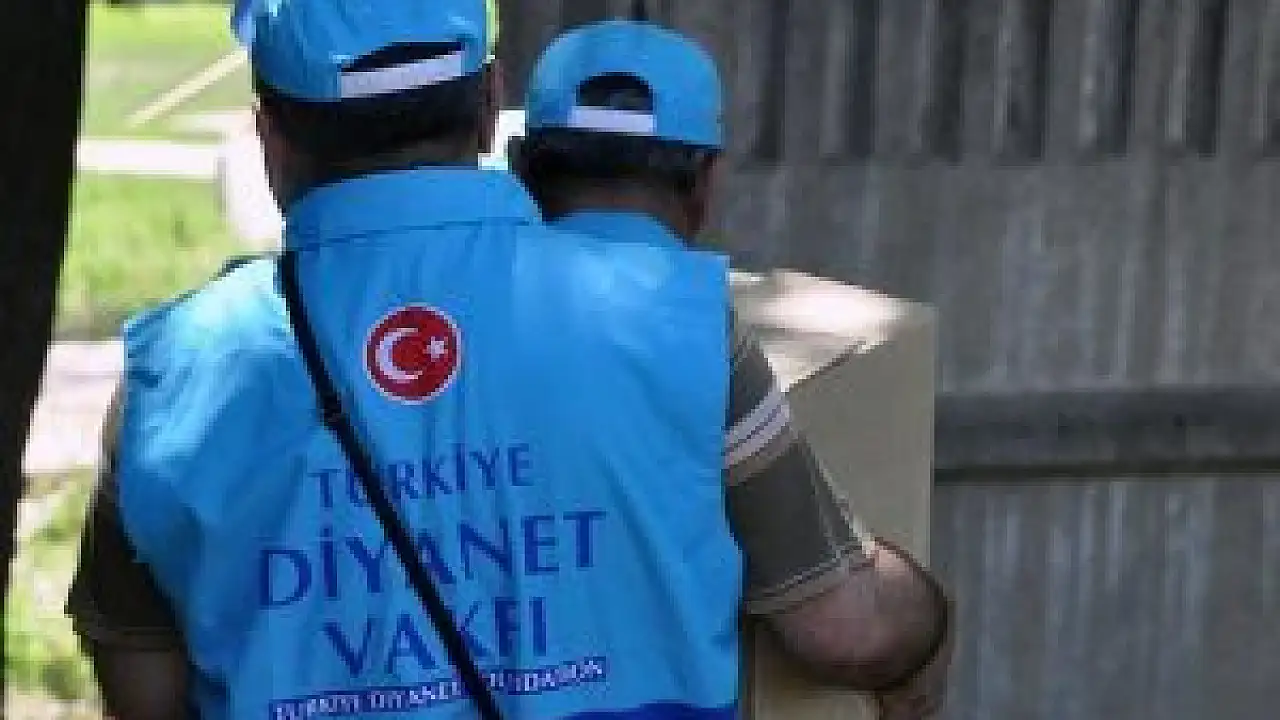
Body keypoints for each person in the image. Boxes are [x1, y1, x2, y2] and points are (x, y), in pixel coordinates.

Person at [65, 2, 948, 719]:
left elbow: (143, 692)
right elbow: (844, 627)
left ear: (270, 138)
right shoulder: (670, 320)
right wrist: (930, 624)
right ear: (491, 103)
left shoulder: (170, 378)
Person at [509, 20, 953, 719]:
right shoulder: (688, 328)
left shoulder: (431, 317)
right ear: (706, 179)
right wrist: (933, 622)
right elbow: (844, 629)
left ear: (521, 167)